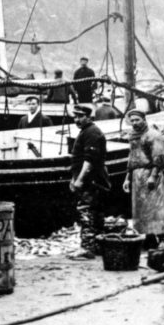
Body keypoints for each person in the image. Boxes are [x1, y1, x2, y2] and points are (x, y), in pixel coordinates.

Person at [69, 104, 110, 256]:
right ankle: (98, 246)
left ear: (89, 117)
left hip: (91, 181)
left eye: (80, 116)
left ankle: (87, 247)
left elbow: (89, 160)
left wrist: (79, 180)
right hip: (94, 180)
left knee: (86, 212)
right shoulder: (87, 131)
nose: (77, 120)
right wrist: (74, 178)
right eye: (75, 116)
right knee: (96, 214)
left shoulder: (91, 133)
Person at [122, 109, 164, 238]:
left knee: (154, 207)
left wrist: (153, 176)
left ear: (144, 119)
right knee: (140, 209)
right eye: (132, 121)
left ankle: (158, 235)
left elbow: (159, 157)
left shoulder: (153, 135)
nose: (135, 123)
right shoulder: (133, 135)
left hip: (150, 173)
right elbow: (132, 157)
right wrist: (127, 178)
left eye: (137, 120)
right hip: (137, 175)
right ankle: (145, 236)